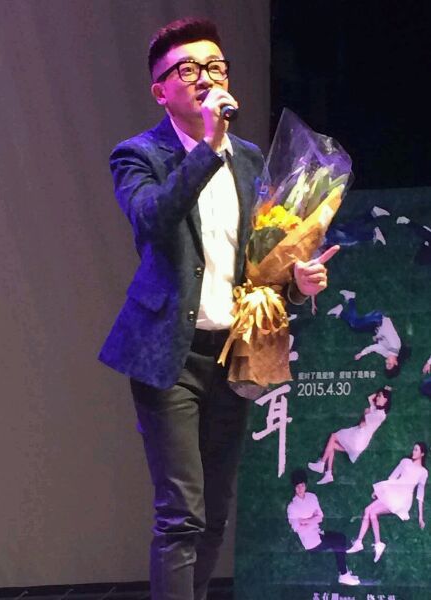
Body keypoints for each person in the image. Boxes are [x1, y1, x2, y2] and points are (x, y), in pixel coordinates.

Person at [98, 18, 334, 600]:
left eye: (216, 66)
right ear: (160, 90)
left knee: (216, 511)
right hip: (167, 357)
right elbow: (153, 220)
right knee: (182, 514)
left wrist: (296, 283)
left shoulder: (250, 160)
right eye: (188, 69)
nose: (205, 76)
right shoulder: (138, 155)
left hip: (232, 354)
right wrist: (207, 145)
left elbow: (257, 261)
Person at [347, 442, 428, 563]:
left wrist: (421, 517)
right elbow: (393, 477)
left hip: (402, 498)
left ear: (422, 454)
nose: (413, 451)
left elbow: (420, 494)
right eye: (413, 449)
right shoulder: (405, 462)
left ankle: (373, 543)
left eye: (416, 450)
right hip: (393, 491)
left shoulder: (423, 472)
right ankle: (363, 543)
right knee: (368, 510)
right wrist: (379, 491)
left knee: (372, 512)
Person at [287, 469, 360, 586]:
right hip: (311, 542)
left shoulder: (312, 497)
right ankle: (344, 574)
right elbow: (298, 529)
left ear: (305, 485)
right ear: (294, 488)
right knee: (338, 542)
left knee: (341, 538)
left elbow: (320, 517)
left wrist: (305, 521)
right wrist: (312, 519)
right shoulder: (292, 507)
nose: (300, 489)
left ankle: (344, 572)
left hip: (318, 532)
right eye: (297, 486)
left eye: (302, 485)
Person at [308, 386, 392, 485]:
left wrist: (365, 413)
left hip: (357, 438)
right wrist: (384, 390)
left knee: (333, 436)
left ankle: (322, 463)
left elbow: (362, 424)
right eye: (378, 395)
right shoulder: (378, 411)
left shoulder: (379, 415)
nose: (377, 397)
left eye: (380, 396)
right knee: (332, 445)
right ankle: (328, 474)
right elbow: (370, 398)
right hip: (360, 444)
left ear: (385, 400)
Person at [327, 290, 403, 377]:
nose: (386, 361)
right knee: (355, 323)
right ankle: (350, 299)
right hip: (379, 319)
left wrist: (362, 354)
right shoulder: (395, 345)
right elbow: (387, 331)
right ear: (396, 363)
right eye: (389, 364)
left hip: (376, 326)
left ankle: (341, 311)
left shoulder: (387, 354)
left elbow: (375, 347)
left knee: (354, 325)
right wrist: (377, 337)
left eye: (386, 364)